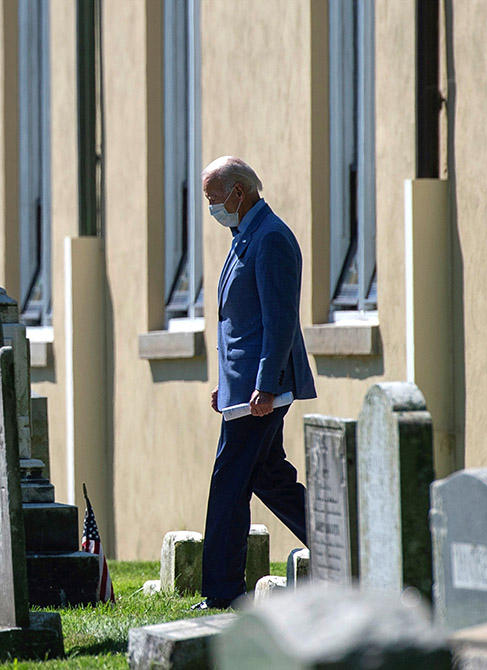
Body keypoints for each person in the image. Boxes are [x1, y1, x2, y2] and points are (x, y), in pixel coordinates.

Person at [193, 156, 317, 610]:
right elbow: (238, 324)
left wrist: (263, 385)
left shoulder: (271, 239)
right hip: (244, 391)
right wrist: (227, 385)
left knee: (229, 482)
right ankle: (345, 547)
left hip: (263, 392)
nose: (213, 208)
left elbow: (279, 321)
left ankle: (223, 591)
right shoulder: (246, 233)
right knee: (270, 477)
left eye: (213, 200)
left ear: (238, 193)